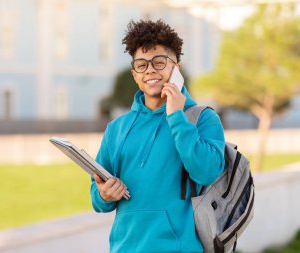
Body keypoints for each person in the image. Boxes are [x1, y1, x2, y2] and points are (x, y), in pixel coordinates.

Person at [90, 19, 226, 253]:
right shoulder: (116, 128)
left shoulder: (203, 118)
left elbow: (207, 172)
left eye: (159, 62)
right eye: (141, 64)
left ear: (176, 69)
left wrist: (176, 117)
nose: (150, 70)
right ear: (134, 75)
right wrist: (104, 194)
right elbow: (97, 198)